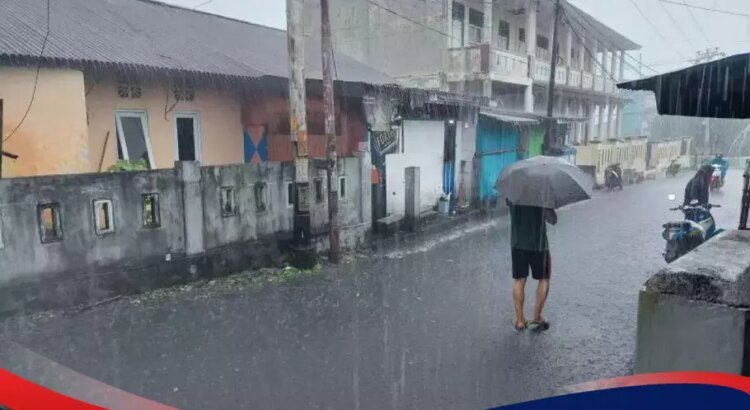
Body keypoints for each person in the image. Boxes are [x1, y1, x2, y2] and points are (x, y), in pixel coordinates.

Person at [507, 200, 557, 331]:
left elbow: (511, 211)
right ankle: (537, 317)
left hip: (517, 242)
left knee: (519, 279)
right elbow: (552, 220)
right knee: (543, 278)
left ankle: (520, 321)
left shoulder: (513, 192)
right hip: (538, 243)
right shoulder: (542, 193)